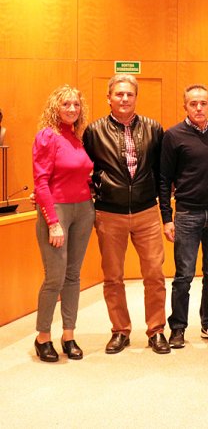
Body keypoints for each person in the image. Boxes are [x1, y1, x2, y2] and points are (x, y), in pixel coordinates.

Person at [83, 74, 168, 354]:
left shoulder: (154, 128)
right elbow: (83, 171)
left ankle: (156, 330)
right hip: (109, 214)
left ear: (135, 97)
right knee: (113, 276)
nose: (124, 99)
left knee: (155, 274)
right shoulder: (94, 131)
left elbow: (162, 172)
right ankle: (120, 330)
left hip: (146, 211)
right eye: (118, 94)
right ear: (109, 98)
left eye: (129, 94)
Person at [159, 84, 208, 348]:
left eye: (203, 103)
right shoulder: (173, 136)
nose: (198, 108)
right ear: (185, 106)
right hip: (187, 213)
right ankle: (177, 327)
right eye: (193, 104)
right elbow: (164, 180)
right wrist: (167, 217)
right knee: (183, 275)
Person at [31, 85, 95, 362]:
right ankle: (42, 336)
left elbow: (81, 174)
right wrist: (53, 222)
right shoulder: (47, 136)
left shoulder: (77, 138)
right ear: (55, 107)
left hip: (83, 210)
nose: (71, 109)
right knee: (55, 277)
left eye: (76, 105)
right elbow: (41, 181)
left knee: (73, 276)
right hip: (56, 211)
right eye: (66, 104)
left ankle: (68, 335)